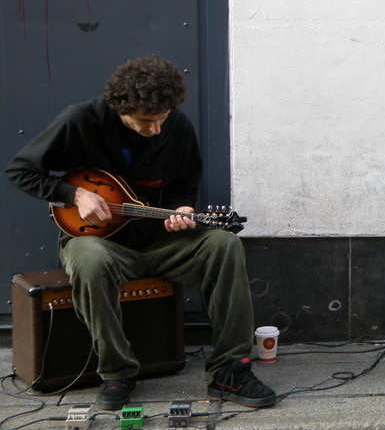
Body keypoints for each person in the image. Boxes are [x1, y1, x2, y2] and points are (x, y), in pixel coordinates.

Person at [6, 55, 276, 410]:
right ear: (122, 108)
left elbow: (184, 184)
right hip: (96, 239)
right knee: (88, 261)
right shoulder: (80, 121)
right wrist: (74, 194)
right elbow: (21, 170)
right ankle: (117, 372)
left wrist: (182, 209)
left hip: (158, 238)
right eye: (146, 121)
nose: (157, 129)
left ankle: (229, 370)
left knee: (223, 244)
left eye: (162, 118)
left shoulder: (176, 126)